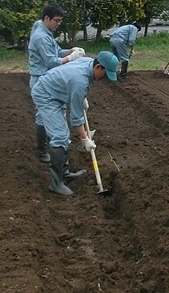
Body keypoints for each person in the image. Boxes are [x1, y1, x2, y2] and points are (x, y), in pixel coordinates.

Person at [30, 50, 119, 196]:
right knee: (60, 136)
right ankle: (56, 183)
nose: (105, 78)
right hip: (46, 94)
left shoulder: (88, 62)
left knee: (63, 134)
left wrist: (81, 97)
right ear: (98, 67)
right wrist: (85, 139)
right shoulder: (80, 82)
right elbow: (76, 119)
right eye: (106, 73)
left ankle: (64, 173)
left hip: (56, 90)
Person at [28, 4, 84, 167]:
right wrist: (71, 58)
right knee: (41, 115)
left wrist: (70, 50)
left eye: (60, 21)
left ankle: (48, 149)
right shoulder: (41, 36)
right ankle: (42, 151)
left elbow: (56, 51)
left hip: (47, 78)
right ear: (46, 18)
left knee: (45, 115)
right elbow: (51, 61)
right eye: (56, 20)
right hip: (40, 78)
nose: (58, 24)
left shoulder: (45, 31)